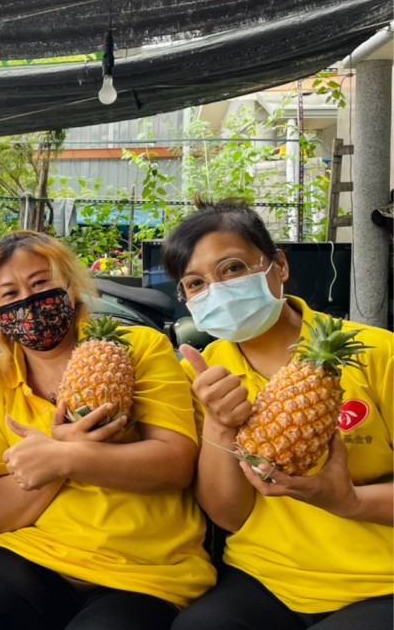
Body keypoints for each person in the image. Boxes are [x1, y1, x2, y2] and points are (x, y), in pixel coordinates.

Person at [0, 230, 214, 630]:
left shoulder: (139, 347)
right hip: (35, 553)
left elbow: (175, 464)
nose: (28, 301)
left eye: (41, 284)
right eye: (10, 293)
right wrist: (58, 459)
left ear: (70, 286)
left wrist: (65, 457)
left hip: (146, 568)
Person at [163, 198, 392, 629]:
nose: (217, 289)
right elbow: (229, 516)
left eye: (232, 268)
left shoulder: (379, 353)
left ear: (279, 266)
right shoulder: (202, 375)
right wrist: (220, 425)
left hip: (381, 582)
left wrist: (351, 501)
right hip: (263, 577)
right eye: (195, 283)